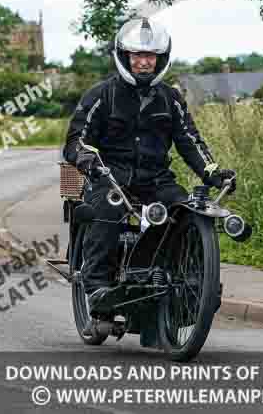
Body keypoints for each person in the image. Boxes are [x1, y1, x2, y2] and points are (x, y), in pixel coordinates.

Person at [66, 17, 236, 322]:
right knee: (107, 207)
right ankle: (97, 287)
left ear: (160, 60)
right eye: (137, 56)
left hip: (157, 180)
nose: (144, 62)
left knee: (185, 210)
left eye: (150, 57)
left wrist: (212, 172)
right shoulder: (101, 95)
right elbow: (76, 140)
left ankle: (195, 282)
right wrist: (88, 160)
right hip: (109, 177)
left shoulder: (171, 99)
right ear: (124, 57)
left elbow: (189, 141)